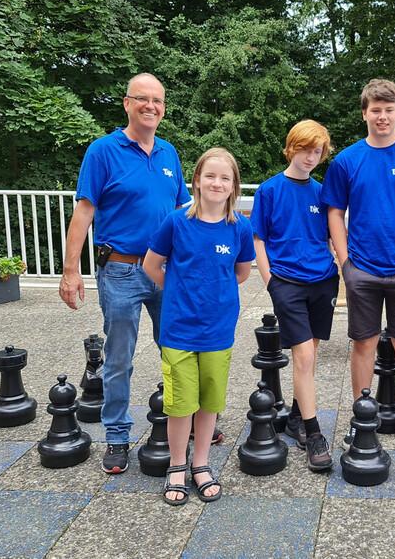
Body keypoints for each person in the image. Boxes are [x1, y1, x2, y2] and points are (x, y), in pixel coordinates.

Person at [59, 73, 190, 474]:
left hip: (166, 271)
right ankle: (117, 436)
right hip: (121, 270)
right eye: (143, 99)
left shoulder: (169, 153)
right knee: (119, 358)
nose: (151, 106)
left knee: (179, 351)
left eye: (158, 101)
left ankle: (188, 421)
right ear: (127, 103)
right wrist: (70, 270)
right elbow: (84, 212)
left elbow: (187, 211)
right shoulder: (103, 152)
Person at [320, 78, 395, 456]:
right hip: (364, 269)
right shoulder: (347, 161)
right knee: (363, 344)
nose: (382, 116)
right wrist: (345, 263)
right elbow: (334, 213)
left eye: (389, 110)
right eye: (376, 110)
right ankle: (361, 418)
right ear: (365, 113)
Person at [142, 148, 255, 505]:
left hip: (218, 331)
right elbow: (151, 265)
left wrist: (213, 297)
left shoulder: (240, 227)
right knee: (179, 405)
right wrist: (177, 292)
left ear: (234, 185)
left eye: (225, 177)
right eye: (210, 176)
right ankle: (177, 465)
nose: (217, 183)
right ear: (196, 181)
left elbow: (241, 272)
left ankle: (201, 464)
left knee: (209, 403)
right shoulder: (175, 223)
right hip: (178, 331)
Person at [251, 120, 339, 472]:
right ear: (291, 147)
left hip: (323, 281)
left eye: (317, 152)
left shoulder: (322, 192)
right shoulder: (270, 190)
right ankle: (315, 433)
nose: (311, 157)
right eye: (305, 149)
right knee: (302, 355)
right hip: (287, 281)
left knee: (310, 357)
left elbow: (333, 234)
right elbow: (258, 238)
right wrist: (270, 280)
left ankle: (295, 419)